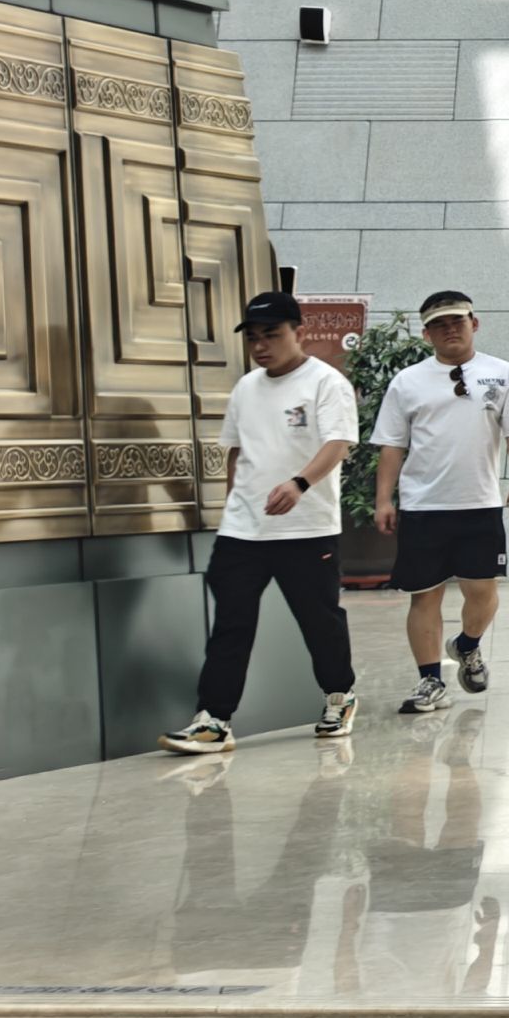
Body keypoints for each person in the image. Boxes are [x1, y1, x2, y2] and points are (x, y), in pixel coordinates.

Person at [161, 290, 361, 754]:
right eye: (253, 337)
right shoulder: (246, 387)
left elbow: (337, 445)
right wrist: (234, 505)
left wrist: (299, 484)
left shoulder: (325, 383)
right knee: (231, 625)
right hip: (243, 533)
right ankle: (214, 720)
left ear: (299, 333)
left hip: (306, 529)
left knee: (318, 621)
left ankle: (339, 695)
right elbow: (236, 452)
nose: (260, 345)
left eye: (271, 334)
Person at [374, 288, 509, 716]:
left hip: (479, 504)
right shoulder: (407, 382)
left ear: (474, 324)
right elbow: (391, 444)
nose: (450, 330)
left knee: (482, 592)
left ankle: (467, 644)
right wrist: (384, 499)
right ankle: (431, 680)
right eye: (439, 325)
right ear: (426, 334)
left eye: (457, 321)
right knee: (423, 595)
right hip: (423, 506)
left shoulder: (502, 373)